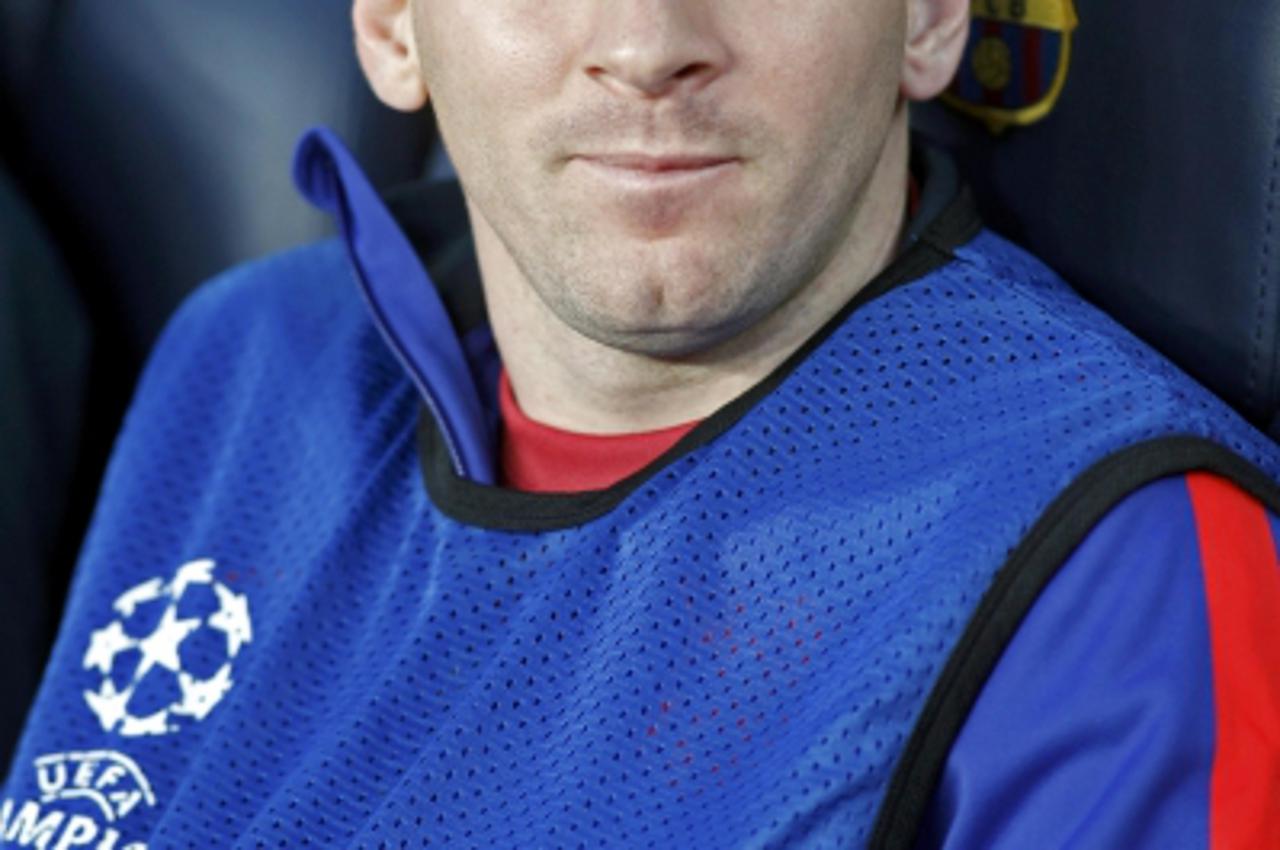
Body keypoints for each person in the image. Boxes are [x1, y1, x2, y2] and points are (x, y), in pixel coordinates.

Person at [2, 1, 1278, 847]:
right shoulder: (247, 364)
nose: (648, 39)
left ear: (930, 14)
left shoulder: (1111, 557)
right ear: (393, 22)